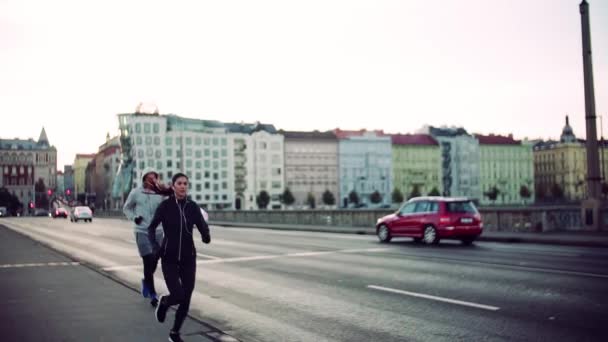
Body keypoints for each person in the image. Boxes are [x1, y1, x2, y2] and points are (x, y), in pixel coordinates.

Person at [147, 172, 211, 342]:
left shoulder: (192, 206)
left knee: (187, 297)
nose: (183, 186)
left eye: (185, 183)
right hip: (169, 258)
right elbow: (151, 228)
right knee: (178, 295)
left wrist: (206, 235)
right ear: (173, 186)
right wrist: (155, 247)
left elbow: (202, 225)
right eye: (180, 183)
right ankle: (165, 302)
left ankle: (174, 333)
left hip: (189, 258)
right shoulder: (165, 207)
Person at [123, 167, 171, 306]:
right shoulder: (136, 193)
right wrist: (134, 217)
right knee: (148, 259)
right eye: (149, 178)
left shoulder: (160, 193)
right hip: (142, 230)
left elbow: (173, 199)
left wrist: (165, 189)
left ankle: (146, 281)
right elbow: (126, 208)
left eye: (154, 177)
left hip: (158, 231)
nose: (152, 180)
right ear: (144, 179)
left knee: (155, 260)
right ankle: (153, 294)